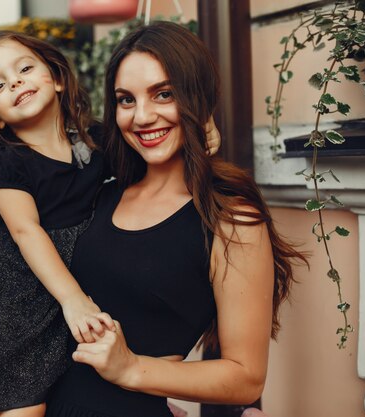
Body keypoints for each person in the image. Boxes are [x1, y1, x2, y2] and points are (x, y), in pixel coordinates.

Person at [0, 30, 220, 417]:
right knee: (24, 408)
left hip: (54, 294)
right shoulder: (8, 163)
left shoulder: (96, 140)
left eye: (25, 68)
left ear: (59, 78)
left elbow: (152, 149)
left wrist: (203, 124)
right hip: (8, 295)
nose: (15, 82)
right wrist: (74, 300)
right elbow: (25, 231)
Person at [45, 21, 307, 417]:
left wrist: (131, 368)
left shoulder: (230, 218)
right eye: (126, 100)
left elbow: (246, 377)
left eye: (163, 94)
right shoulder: (101, 193)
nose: (142, 116)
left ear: (196, 97)